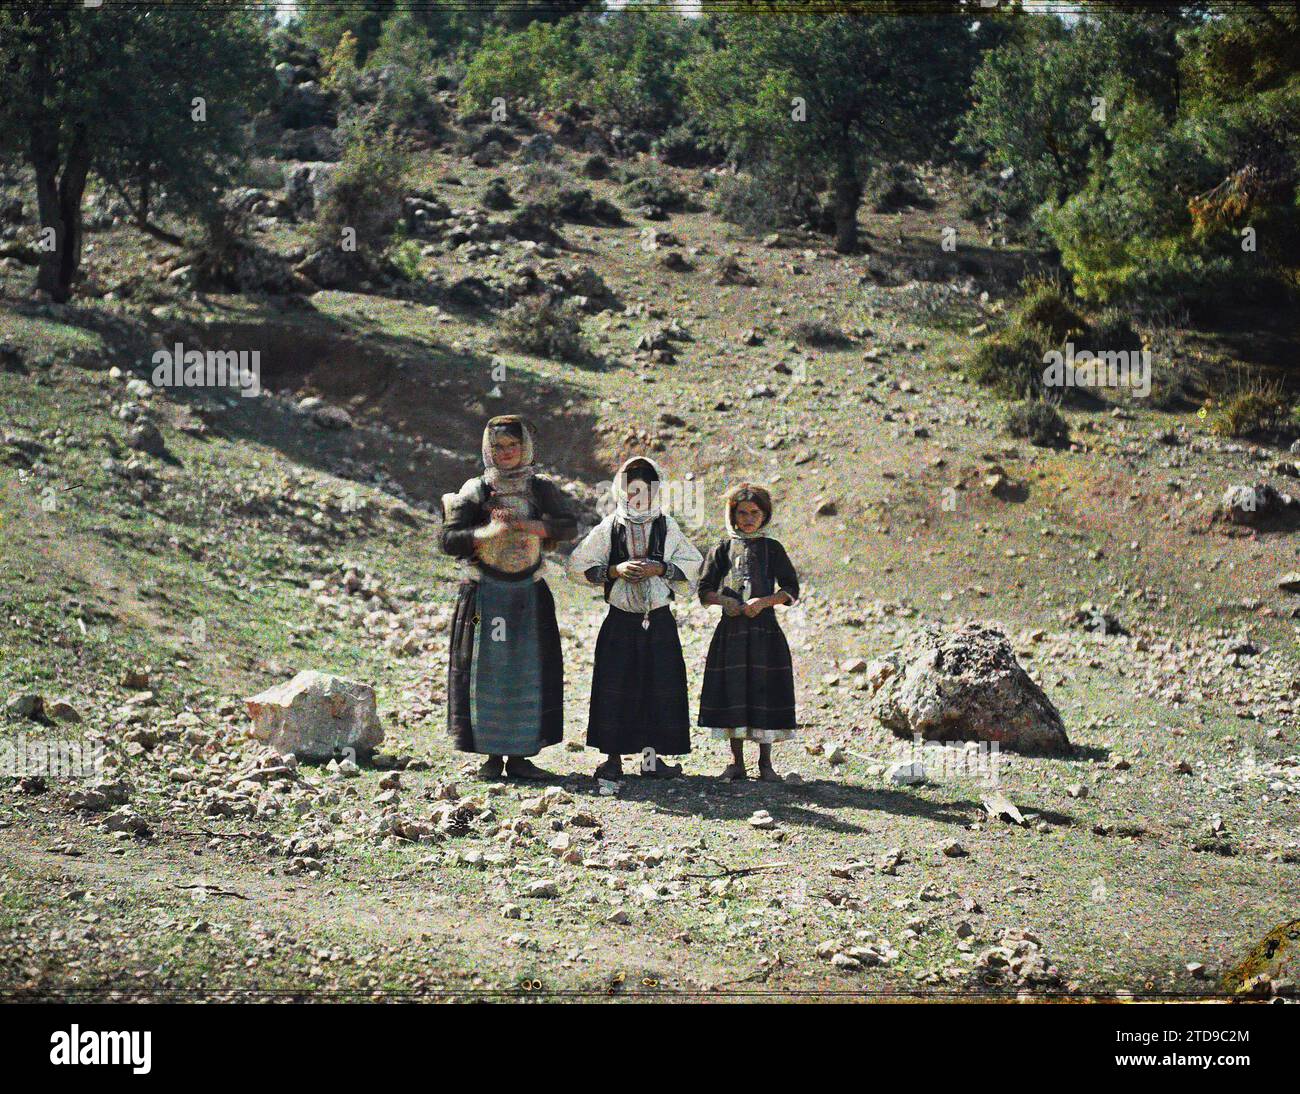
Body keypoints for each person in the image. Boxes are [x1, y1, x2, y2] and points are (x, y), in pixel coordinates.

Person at [441, 415, 577, 779]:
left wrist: (535, 527)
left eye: (512, 446)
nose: (505, 453)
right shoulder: (475, 489)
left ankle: (520, 756)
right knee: (486, 672)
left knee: (526, 672)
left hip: (527, 593)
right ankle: (490, 757)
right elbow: (449, 540)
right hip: (484, 594)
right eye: (498, 447)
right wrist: (488, 532)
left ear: (524, 448)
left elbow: (568, 525)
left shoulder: (540, 488)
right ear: (488, 448)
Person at [568, 457, 702, 781]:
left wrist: (662, 568)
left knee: (656, 687)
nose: (639, 498)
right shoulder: (610, 527)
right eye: (633, 491)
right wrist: (615, 570)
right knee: (616, 686)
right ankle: (613, 759)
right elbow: (577, 565)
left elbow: (693, 564)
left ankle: (651, 760)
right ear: (621, 491)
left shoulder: (667, 526)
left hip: (657, 619)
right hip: (621, 620)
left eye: (646, 491)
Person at [697, 483, 800, 782]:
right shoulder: (721, 548)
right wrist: (725, 601)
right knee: (735, 692)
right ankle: (736, 763)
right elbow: (704, 589)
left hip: (765, 631)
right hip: (732, 632)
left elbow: (791, 589)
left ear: (765, 515)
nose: (748, 518)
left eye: (755, 513)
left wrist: (765, 602)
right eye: (742, 513)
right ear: (733, 514)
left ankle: (766, 765)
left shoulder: (773, 549)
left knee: (763, 689)